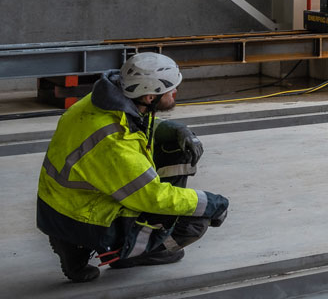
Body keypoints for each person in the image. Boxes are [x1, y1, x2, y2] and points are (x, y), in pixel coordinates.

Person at [37, 53, 230, 283]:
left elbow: (134, 127)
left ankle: (71, 244)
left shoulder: (105, 100)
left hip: (60, 205)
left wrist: (168, 128)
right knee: (195, 219)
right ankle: (127, 254)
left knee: (175, 147)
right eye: (170, 90)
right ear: (150, 97)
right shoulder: (114, 143)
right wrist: (212, 204)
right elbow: (152, 198)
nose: (175, 93)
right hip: (84, 216)